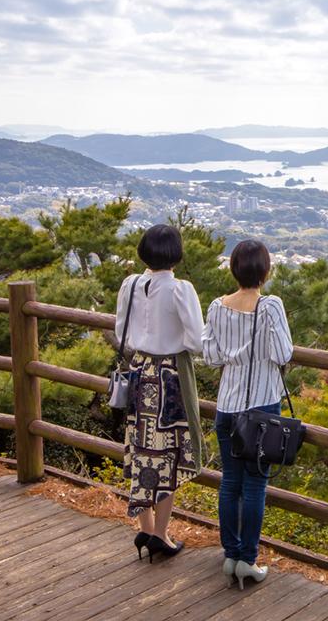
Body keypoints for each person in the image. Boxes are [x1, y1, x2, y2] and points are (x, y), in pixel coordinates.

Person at [201, 239, 294, 589]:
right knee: (255, 486)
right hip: (260, 409)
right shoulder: (270, 306)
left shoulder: (216, 306)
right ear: (265, 271)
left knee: (230, 483)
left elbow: (210, 355)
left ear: (234, 269)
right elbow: (283, 353)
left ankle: (230, 555)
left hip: (227, 406)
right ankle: (248, 560)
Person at [116, 224, 205, 563]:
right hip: (169, 376)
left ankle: (145, 527)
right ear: (176, 254)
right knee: (168, 455)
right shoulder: (181, 290)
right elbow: (196, 341)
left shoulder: (131, 284)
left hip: (139, 372)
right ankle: (161, 535)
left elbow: (119, 329)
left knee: (141, 448)